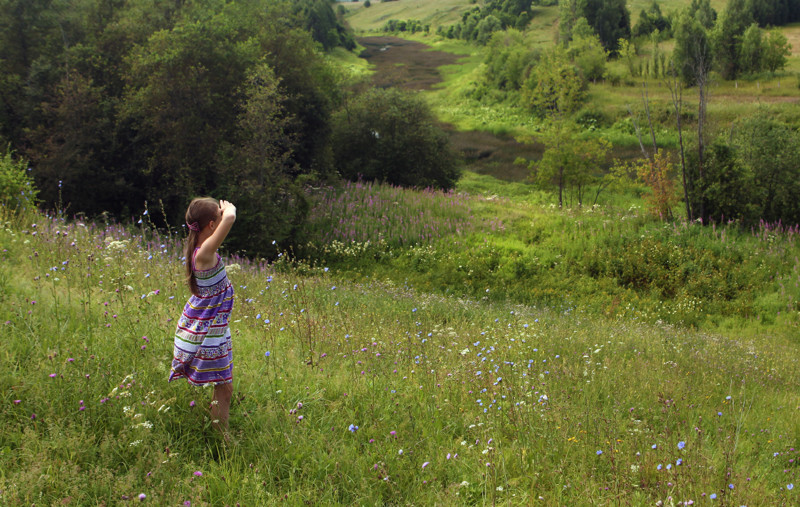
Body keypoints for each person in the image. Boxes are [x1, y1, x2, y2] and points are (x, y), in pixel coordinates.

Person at [169, 197, 237, 436]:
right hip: (209, 334)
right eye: (217, 220)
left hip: (215, 330)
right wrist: (228, 210)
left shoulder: (200, 251)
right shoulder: (204, 254)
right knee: (224, 389)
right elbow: (230, 217)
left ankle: (221, 432)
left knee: (224, 389)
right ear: (211, 225)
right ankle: (223, 440)